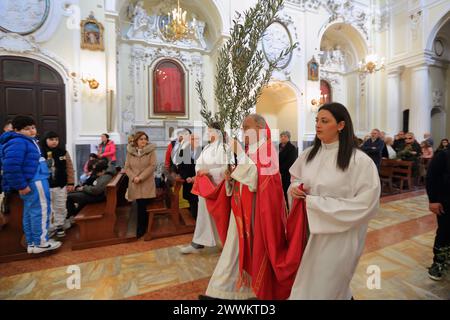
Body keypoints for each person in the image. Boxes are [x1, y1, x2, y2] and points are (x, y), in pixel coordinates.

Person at [204, 114, 304, 300]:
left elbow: (260, 179)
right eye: (242, 128)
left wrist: (239, 154)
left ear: (259, 128)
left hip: (255, 212)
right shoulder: (252, 150)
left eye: (246, 127)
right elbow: (246, 174)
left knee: (240, 249)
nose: (243, 131)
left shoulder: (268, 149)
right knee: (235, 249)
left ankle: (226, 290)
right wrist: (230, 176)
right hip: (242, 209)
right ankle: (225, 290)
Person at [288, 103, 380, 300]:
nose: (318, 125)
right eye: (317, 120)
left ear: (340, 125)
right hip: (309, 229)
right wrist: (294, 188)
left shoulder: (359, 161)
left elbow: (367, 204)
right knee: (307, 282)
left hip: (341, 235)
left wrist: (315, 204)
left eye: (324, 121)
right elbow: (295, 178)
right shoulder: (308, 155)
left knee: (329, 286)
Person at [0, 116, 61, 254]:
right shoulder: (19, 142)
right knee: (41, 211)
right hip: (35, 181)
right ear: (16, 130)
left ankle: (33, 243)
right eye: (27, 129)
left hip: (34, 180)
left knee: (31, 212)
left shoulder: (26, 141)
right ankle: (42, 243)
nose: (32, 131)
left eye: (33, 127)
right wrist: (21, 185)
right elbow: (11, 166)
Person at [180, 122, 231, 254]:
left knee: (219, 217)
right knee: (203, 216)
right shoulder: (208, 147)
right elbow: (198, 164)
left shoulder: (223, 148)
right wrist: (199, 171)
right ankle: (197, 243)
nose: (207, 134)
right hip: (205, 188)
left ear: (218, 133)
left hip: (217, 189)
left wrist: (209, 172)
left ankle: (226, 245)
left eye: (210, 131)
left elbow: (227, 168)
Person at [40, 131, 75, 238]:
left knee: (60, 206)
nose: (54, 142)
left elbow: (69, 168)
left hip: (60, 185)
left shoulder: (63, 152)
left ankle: (59, 225)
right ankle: (49, 228)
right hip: (46, 185)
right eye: (51, 139)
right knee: (47, 207)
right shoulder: (40, 152)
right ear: (46, 140)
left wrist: (70, 182)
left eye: (56, 139)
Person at [124, 131, 157, 239]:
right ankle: (142, 227)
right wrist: (134, 177)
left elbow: (152, 166)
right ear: (136, 141)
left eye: (145, 139)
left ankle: (142, 228)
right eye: (141, 139)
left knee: (142, 205)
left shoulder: (151, 151)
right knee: (139, 204)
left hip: (146, 182)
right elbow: (127, 167)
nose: (144, 141)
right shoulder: (130, 151)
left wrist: (140, 177)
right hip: (135, 183)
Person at [426, 145, 450, 280]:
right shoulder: (443, 155)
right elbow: (431, 177)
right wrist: (433, 200)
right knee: (445, 232)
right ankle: (438, 263)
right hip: (446, 203)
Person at [176, 133, 202, 219]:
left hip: (199, 180)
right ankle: (193, 219)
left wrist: (195, 178)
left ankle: (196, 220)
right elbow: (180, 167)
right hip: (188, 181)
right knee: (191, 200)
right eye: (193, 139)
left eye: (197, 139)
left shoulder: (203, 150)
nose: (195, 141)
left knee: (198, 201)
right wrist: (186, 177)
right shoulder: (183, 151)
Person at [279, 131, 298, 208]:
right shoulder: (277, 146)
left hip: (286, 174)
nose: (283, 138)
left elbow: (291, 162)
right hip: (277, 173)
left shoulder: (292, 148)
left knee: (286, 190)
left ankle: (287, 208)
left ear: (288, 138)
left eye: (285, 136)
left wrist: (280, 170)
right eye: (281, 136)